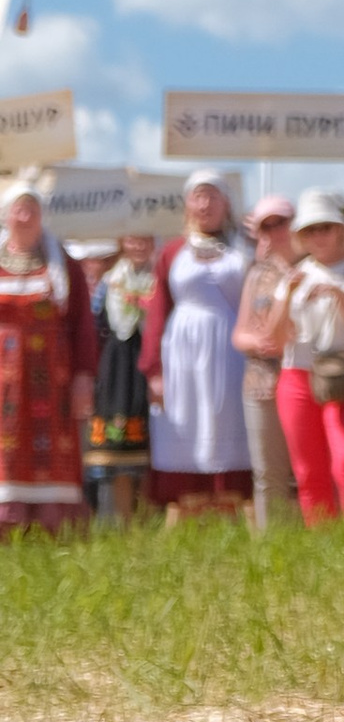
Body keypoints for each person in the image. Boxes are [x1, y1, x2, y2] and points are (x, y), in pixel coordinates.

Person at [273, 189, 344, 524]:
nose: (318, 236)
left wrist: (338, 293)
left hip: (343, 372)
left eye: (325, 227)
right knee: (308, 470)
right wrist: (287, 295)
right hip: (297, 374)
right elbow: (277, 338)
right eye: (310, 230)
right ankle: (323, 544)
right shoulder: (296, 274)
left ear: (340, 229)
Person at [145, 174, 251, 512]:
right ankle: (189, 499)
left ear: (227, 204)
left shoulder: (244, 249)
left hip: (231, 350)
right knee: (187, 418)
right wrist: (154, 370)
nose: (204, 205)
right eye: (198, 197)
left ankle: (229, 498)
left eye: (212, 197)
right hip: (183, 353)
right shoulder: (172, 252)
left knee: (228, 418)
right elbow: (158, 310)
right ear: (187, 204)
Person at [0, 183, 95, 536]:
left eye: (33, 210)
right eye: (19, 209)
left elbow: (82, 326)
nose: (25, 217)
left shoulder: (64, 265)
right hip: (3, 380)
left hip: (51, 378)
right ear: (6, 215)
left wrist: (84, 377)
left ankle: (53, 526)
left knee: (53, 447)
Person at [230, 198, 303, 530]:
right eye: (266, 226)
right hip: (260, 380)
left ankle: (317, 535)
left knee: (306, 467)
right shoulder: (257, 274)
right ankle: (272, 544)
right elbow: (239, 334)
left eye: (280, 223)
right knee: (268, 472)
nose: (275, 232)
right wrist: (256, 341)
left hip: (303, 374)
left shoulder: (311, 266)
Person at [85, 228, 157, 521]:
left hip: (151, 359)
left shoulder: (161, 278)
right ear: (122, 243)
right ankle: (125, 521)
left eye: (144, 239)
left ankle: (150, 518)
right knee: (119, 444)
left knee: (153, 443)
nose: (138, 245)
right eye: (132, 239)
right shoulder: (109, 282)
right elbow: (93, 322)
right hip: (117, 367)